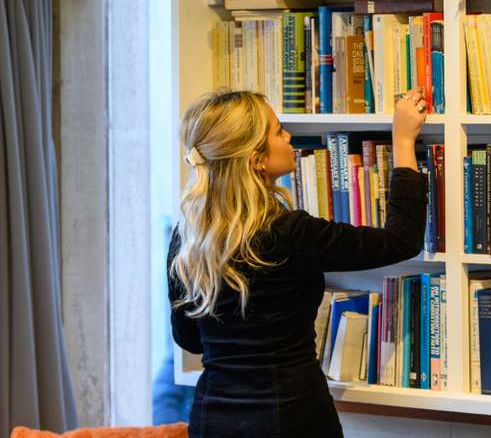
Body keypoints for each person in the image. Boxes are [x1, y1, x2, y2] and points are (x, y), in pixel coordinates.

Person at [167, 88, 428, 438]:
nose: (288, 136)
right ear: (256, 159)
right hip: (292, 416)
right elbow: (401, 240)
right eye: (278, 131)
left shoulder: (187, 237)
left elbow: (190, 339)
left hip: (213, 419)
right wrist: (403, 140)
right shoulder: (288, 232)